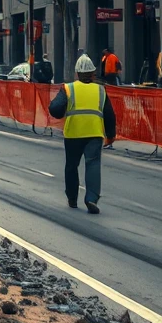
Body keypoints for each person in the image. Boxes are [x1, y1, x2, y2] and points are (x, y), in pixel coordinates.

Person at [48, 55, 116, 214]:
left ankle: (72, 199)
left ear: (77, 73)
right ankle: (91, 199)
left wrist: (62, 113)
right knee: (93, 165)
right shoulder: (100, 89)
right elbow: (110, 114)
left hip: (74, 134)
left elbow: (55, 109)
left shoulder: (68, 88)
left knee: (71, 166)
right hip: (94, 133)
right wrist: (111, 135)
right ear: (92, 73)